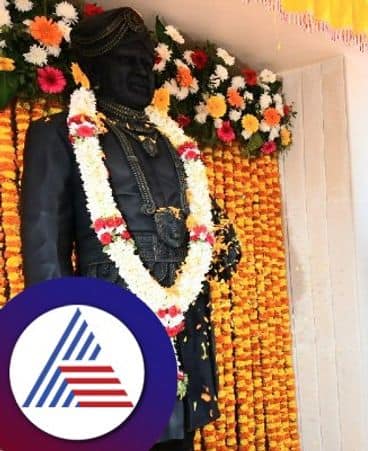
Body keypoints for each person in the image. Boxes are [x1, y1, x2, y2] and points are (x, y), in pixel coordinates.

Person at [20, 8, 239, 451]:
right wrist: (72, 352)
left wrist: (215, 248)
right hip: (108, 325)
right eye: (128, 60)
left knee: (180, 439)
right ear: (95, 68)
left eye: (146, 62)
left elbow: (215, 238)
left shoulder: (177, 145)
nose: (143, 72)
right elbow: (46, 256)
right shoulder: (59, 133)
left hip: (185, 323)